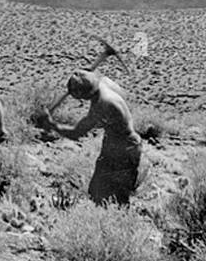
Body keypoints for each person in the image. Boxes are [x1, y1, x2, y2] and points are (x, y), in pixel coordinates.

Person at [49, 70, 142, 205]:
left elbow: (77, 132)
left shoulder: (101, 104)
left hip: (123, 150)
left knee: (112, 196)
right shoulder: (105, 82)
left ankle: (118, 222)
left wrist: (51, 125)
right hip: (120, 145)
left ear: (83, 94)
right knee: (99, 191)